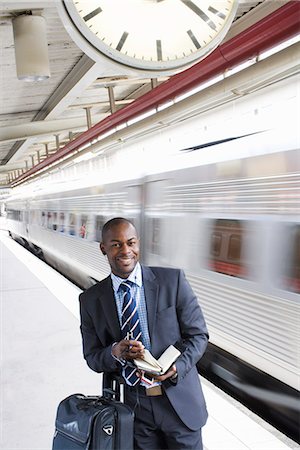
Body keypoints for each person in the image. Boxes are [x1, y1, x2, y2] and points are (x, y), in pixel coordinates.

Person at [79, 217, 209, 450]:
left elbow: (198, 336)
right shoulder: (90, 300)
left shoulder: (172, 281)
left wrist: (177, 367)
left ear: (138, 244)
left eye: (131, 243)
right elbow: (92, 358)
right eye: (116, 244)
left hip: (178, 403)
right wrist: (115, 352)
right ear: (103, 248)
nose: (125, 250)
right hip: (134, 408)